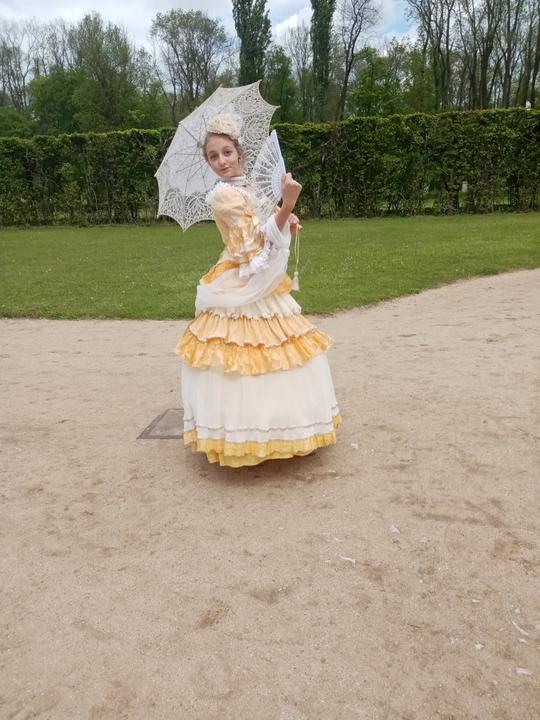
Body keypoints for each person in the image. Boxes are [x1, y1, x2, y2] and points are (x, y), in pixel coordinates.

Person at [176, 113, 341, 467]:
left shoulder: (249, 186)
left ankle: (288, 427)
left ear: (240, 152)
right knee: (239, 353)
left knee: (284, 347)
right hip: (241, 275)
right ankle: (244, 434)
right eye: (213, 156)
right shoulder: (223, 196)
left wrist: (285, 217)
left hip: (260, 277)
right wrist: (288, 205)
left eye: (226, 152)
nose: (222, 161)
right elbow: (252, 246)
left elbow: (268, 224)